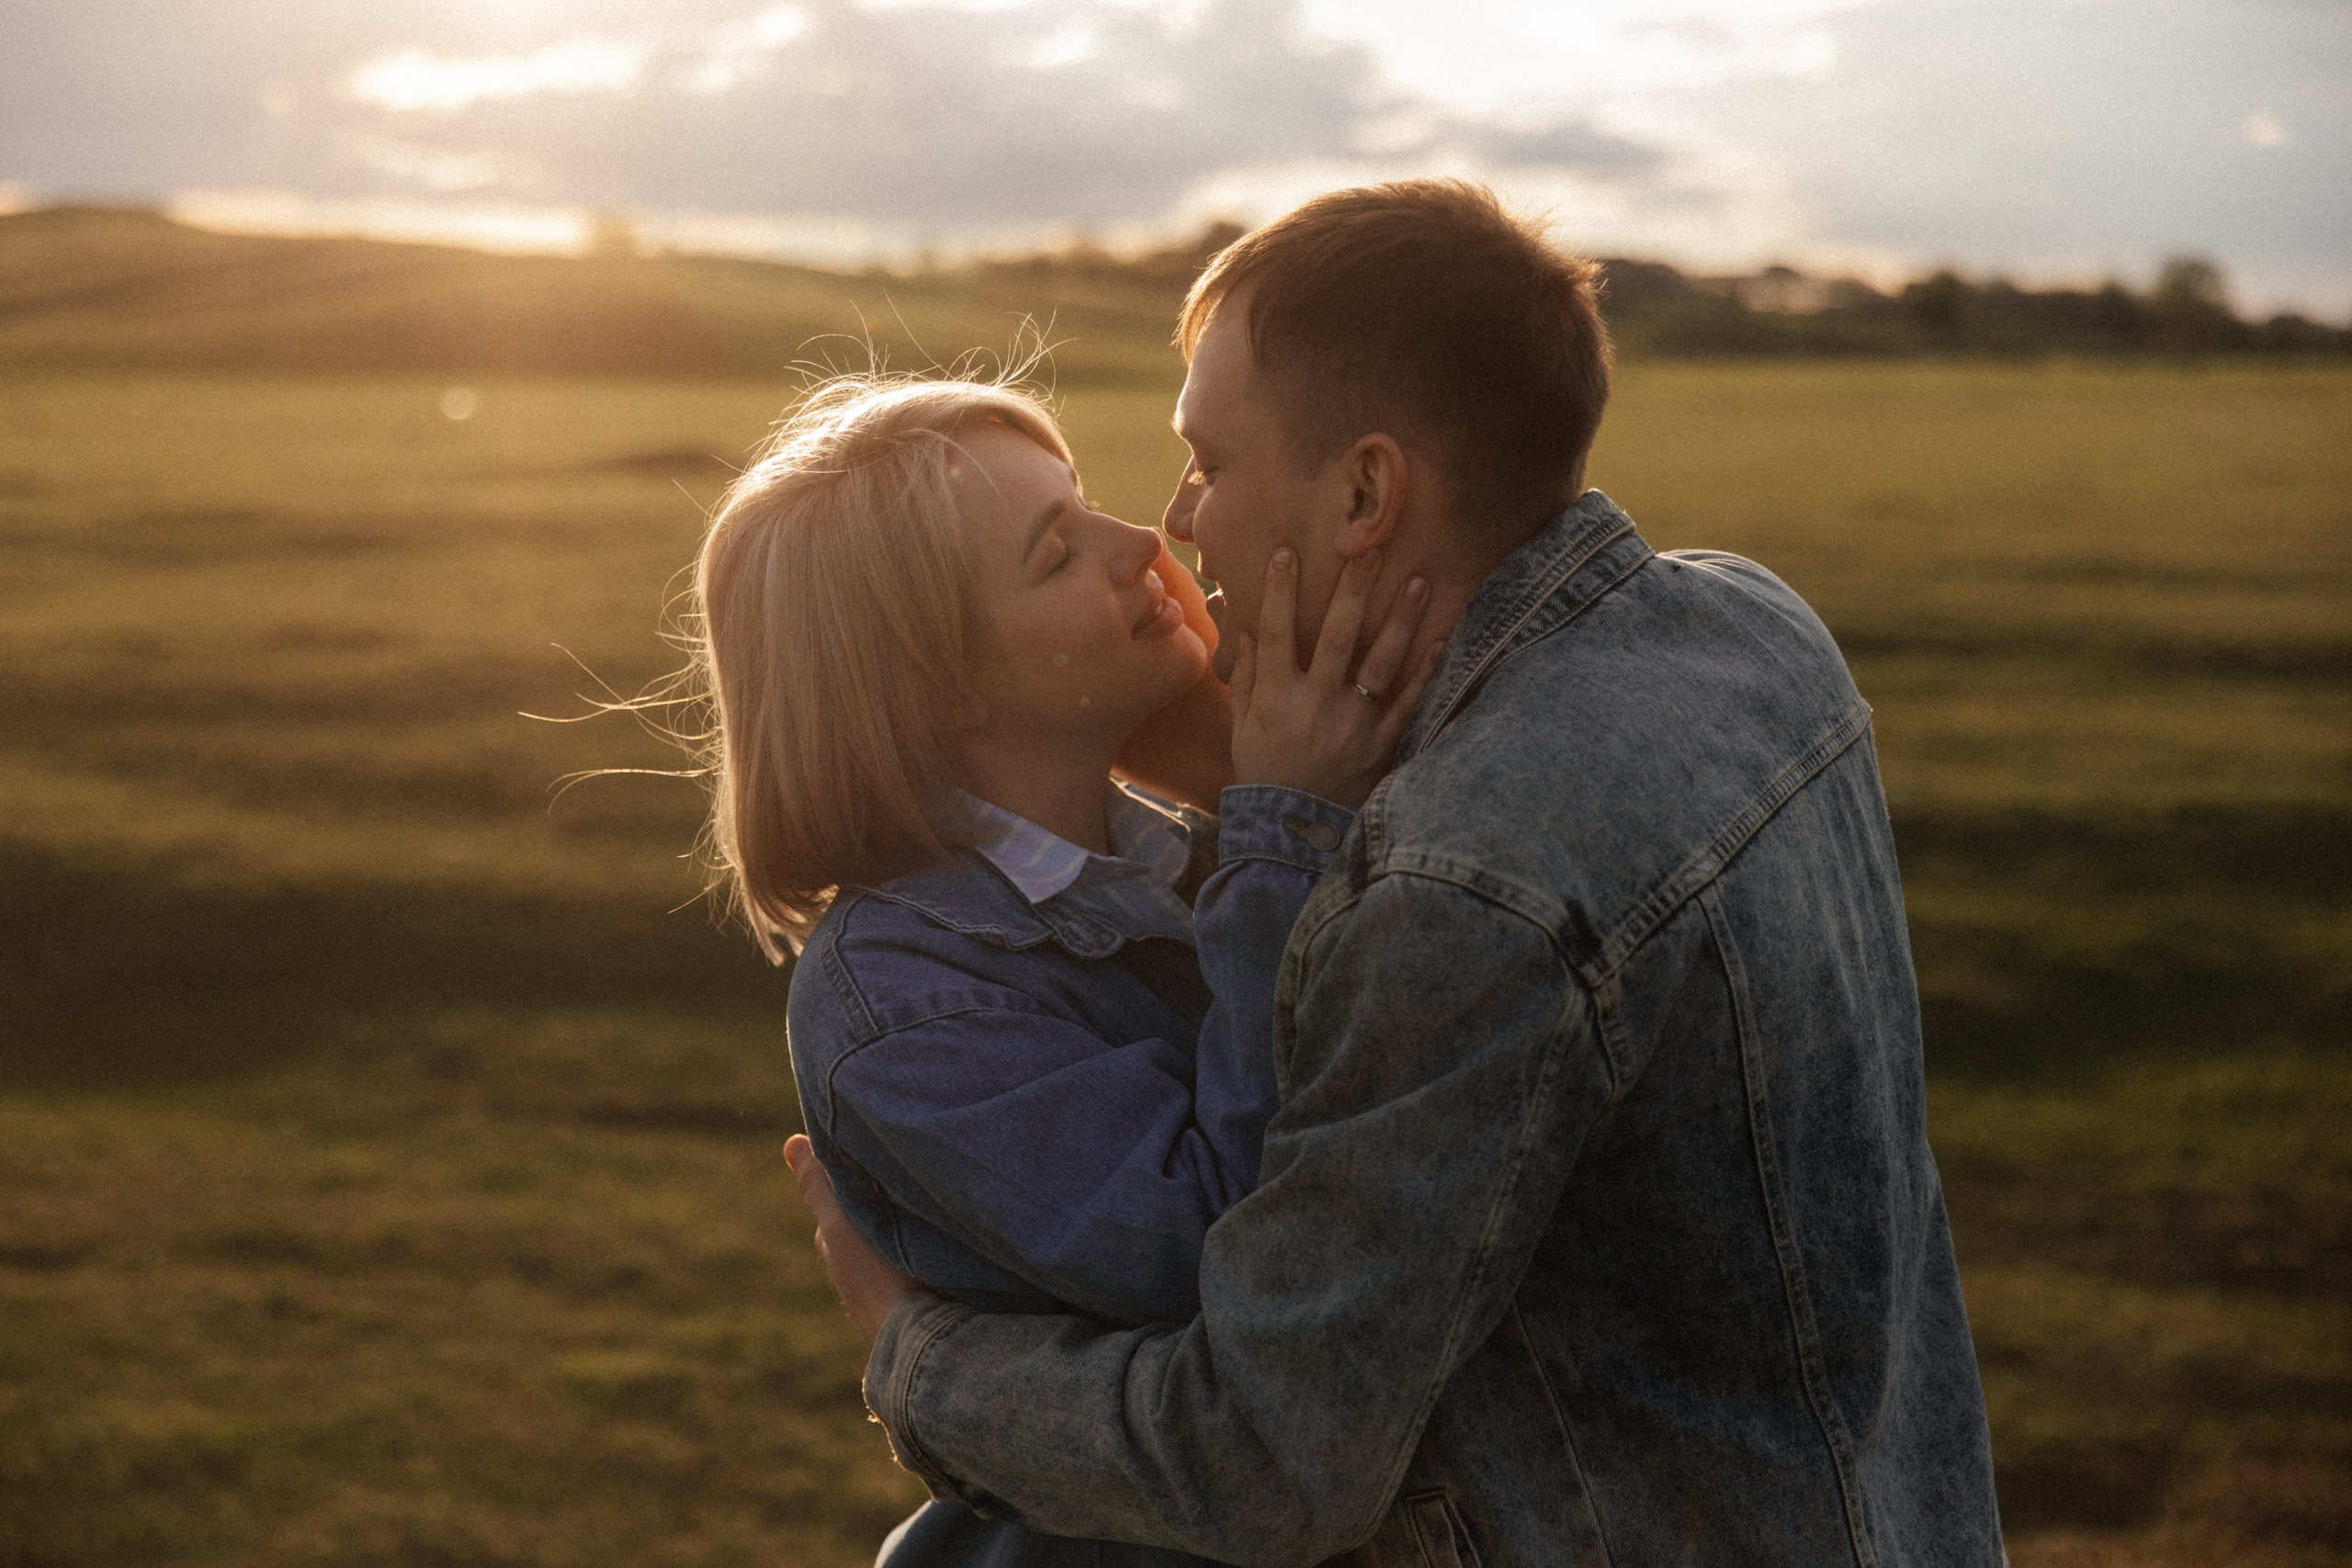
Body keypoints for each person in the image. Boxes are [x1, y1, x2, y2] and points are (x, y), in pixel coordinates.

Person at [787, 180, 2006, 1566]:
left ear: (1367, 490)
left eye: (1210, 460)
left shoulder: (1455, 891)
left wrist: (916, 1361)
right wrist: (1247, 781)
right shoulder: (1757, 627)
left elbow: (1263, 1462)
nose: (1180, 523)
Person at [683, 370, 1437, 1567]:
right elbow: (1231, 1245)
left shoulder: (1180, 864)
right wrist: (1285, 820)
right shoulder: (899, 1003)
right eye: (1054, 550)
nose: (1141, 537)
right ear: (933, 683)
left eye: (1081, 499)